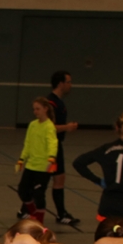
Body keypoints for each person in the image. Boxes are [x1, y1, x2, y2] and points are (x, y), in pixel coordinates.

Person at [16, 97, 58, 224]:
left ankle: (39, 221)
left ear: (45, 109)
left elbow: (53, 143)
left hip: (43, 167)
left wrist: (51, 158)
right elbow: (27, 143)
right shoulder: (32, 125)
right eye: (34, 109)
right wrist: (22, 159)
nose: (35, 111)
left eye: (38, 109)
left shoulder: (49, 126)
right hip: (31, 165)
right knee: (22, 191)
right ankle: (33, 212)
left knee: (38, 193)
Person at [47, 70, 80, 225]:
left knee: (49, 179)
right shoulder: (51, 103)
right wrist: (67, 127)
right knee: (56, 179)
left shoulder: (59, 102)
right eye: (68, 82)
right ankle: (61, 214)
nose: (70, 85)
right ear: (61, 84)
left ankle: (25, 209)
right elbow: (49, 127)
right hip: (51, 147)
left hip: (56, 145)